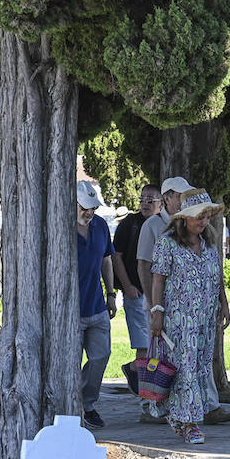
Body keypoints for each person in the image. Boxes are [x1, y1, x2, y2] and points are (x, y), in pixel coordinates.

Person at [148, 190, 230, 444]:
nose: (204, 222)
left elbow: (217, 277)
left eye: (206, 217)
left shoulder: (209, 244)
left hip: (205, 319)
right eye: (198, 217)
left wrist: (224, 304)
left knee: (199, 367)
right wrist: (157, 311)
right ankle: (190, 424)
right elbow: (158, 279)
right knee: (185, 369)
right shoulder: (168, 243)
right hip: (179, 320)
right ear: (184, 218)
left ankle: (178, 415)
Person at [75, 180, 117, 430]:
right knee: (69, 361)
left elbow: (106, 260)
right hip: (70, 311)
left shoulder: (100, 225)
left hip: (97, 305)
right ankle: (71, 407)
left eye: (93, 207)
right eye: (84, 207)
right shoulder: (60, 226)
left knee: (101, 356)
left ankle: (87, 404)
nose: (89, 212)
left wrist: (111, 293)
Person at [114, 183, 160, 385]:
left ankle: (137, 372)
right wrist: (127, 286)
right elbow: (115, 256)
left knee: (156, 346)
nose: (145, 204)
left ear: (161, 203)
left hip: (159, 295)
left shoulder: (165, 225)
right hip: (136, 294)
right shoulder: (129, 224)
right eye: (142, 199)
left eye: (150, 200)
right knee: (143, 345)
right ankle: (143, 391)